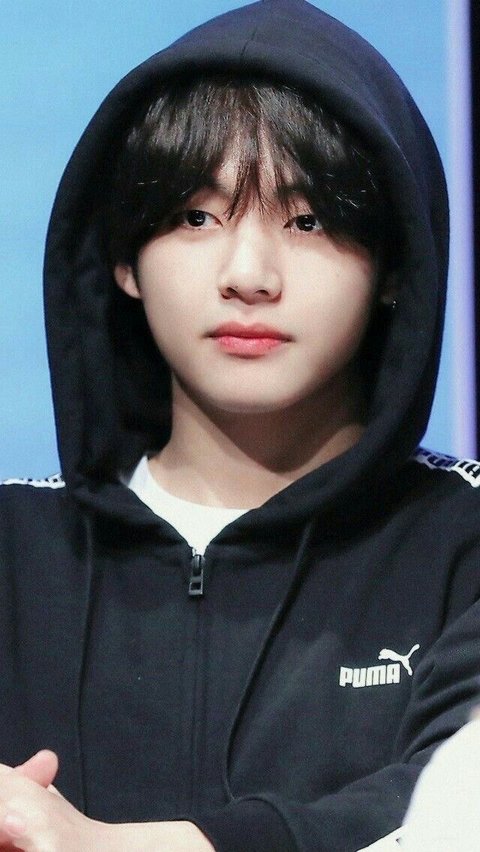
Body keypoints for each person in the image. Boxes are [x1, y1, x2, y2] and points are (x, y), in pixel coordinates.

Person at [0, 0, 479, 849]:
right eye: (196, 217)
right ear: (123, 258)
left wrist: (109, 845)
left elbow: (451, 808)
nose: (249, 274)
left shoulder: (463, 541)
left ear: (396, 266)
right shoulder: (13, 548)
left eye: (308, 220)